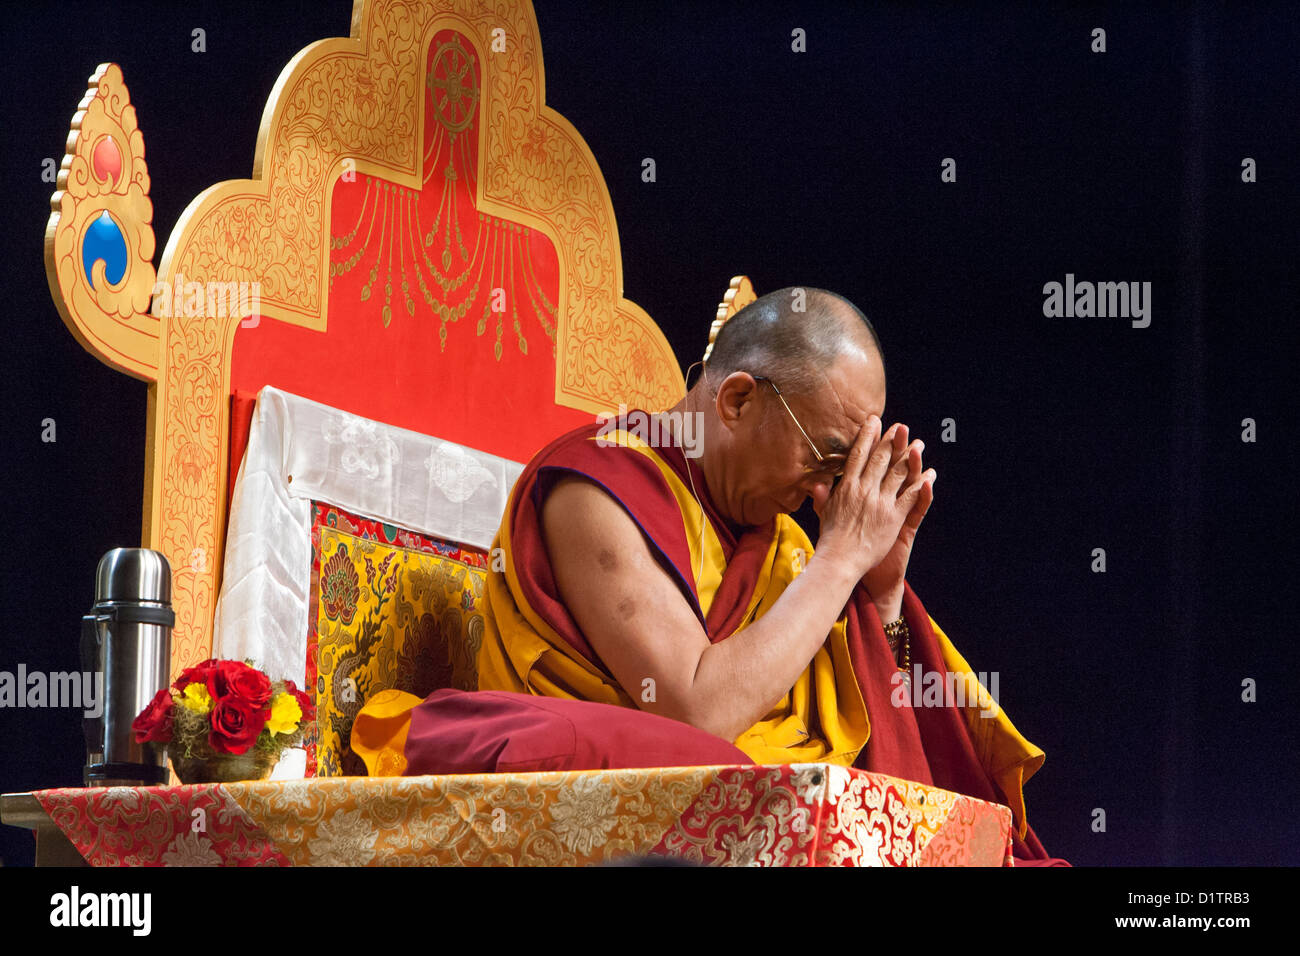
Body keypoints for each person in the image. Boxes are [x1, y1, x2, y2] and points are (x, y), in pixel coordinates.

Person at [367, 285, 1066, 864]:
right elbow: (694, 710)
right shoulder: (599, 482)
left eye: (851, 465)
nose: (834, 490)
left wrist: (878, 596)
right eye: (827, 456)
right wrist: (841, 561)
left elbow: (889, 735)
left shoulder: (780, 540)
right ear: (736, 401)